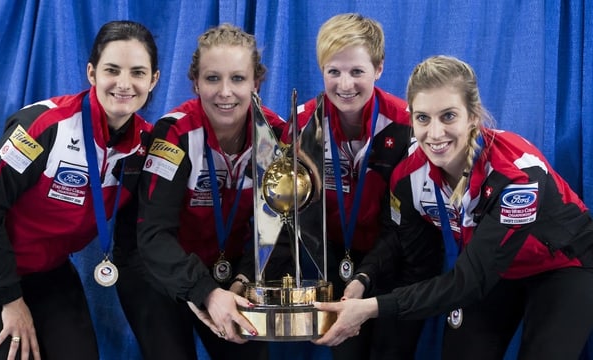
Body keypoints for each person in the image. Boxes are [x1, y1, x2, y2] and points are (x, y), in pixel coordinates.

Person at [314, 55, 593, 360]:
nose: (434, 134)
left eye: (448, 116)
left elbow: (470, 281)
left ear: (473, 116)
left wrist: (371, 308)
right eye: (422, 118)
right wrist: (363, 279)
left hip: (562, 266)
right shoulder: (408, 176)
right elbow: (400, 243)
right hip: (493, 272)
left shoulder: (517, 178)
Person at [0, 20, 159, 360]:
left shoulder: (146, 146)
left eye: (138, 72)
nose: (124, 84)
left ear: (154, 80)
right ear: (92, 73)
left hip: (45, 269)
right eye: (112, 70)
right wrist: (10, 299)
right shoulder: (43, 127)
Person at [270, 13, 442, 360]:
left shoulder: (407, 124)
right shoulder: (302, 124)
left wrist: (365, 276)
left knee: (391, 353)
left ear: (378, 69)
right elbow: (288, 210)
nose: (344, 84)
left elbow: (407, 222)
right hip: (337, 258)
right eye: (333, 71)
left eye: (357, 72)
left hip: (402, 258)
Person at [114, 23, 286, 360]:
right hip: (156, 270)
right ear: (195, 83)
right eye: (212, 78)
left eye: (238, 78)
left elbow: (279, 227)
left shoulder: (276, 136)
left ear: (256, 83)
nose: (225, 92)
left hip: (230, 269)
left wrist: (244, 279)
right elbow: (152, 235)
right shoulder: (174, 134)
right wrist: (207, 292)